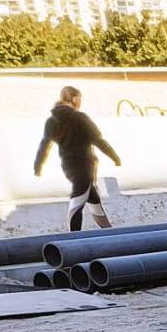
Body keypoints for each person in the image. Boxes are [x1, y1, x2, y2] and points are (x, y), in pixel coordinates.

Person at [34, 86, 121, 232]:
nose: (80, 101)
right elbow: (98, 140)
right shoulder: (80, 118)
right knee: (78, 200)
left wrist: (38, 166)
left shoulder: (51, 121)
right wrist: (114, 157)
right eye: (80, 98)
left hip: (68, 165)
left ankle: (109, 232)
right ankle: (73, 237)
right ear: (74, 98)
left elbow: (45, 144)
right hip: (84, 164)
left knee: (93, 199)